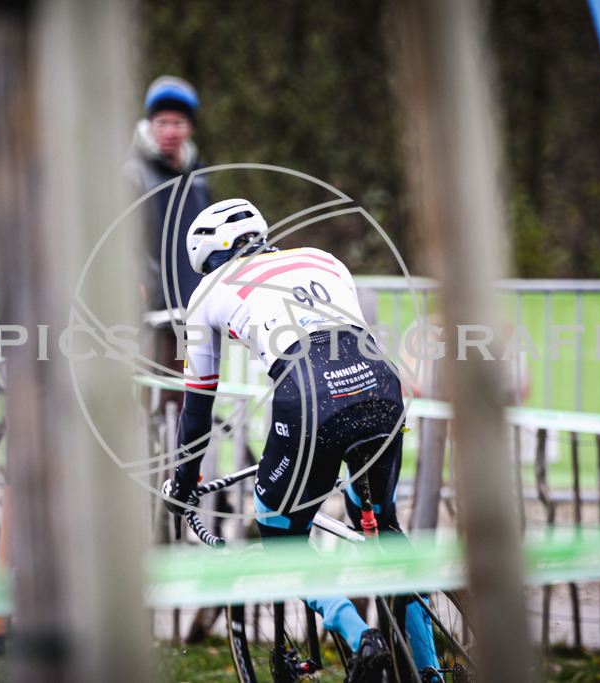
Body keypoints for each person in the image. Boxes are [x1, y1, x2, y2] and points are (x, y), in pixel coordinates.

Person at [162, 198, 439, 682]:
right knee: (385, 532)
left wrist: (183, 483)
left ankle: (361, 639)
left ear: (209, 257)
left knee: (280, 539)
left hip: (310, 396)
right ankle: (433, 672)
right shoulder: (323, 258)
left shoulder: (207, 293)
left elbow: (197, 410)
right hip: (379, 383)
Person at [126, 76, 214, 409]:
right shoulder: (133, 174)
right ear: (150, 123)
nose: (170, 130)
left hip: (191, 310)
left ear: (190, 126)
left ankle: (175, 463)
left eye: (178, 122)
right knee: (149, 397)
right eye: (162, 122)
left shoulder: (197, 175)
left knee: (183, 398)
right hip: (151, 312)